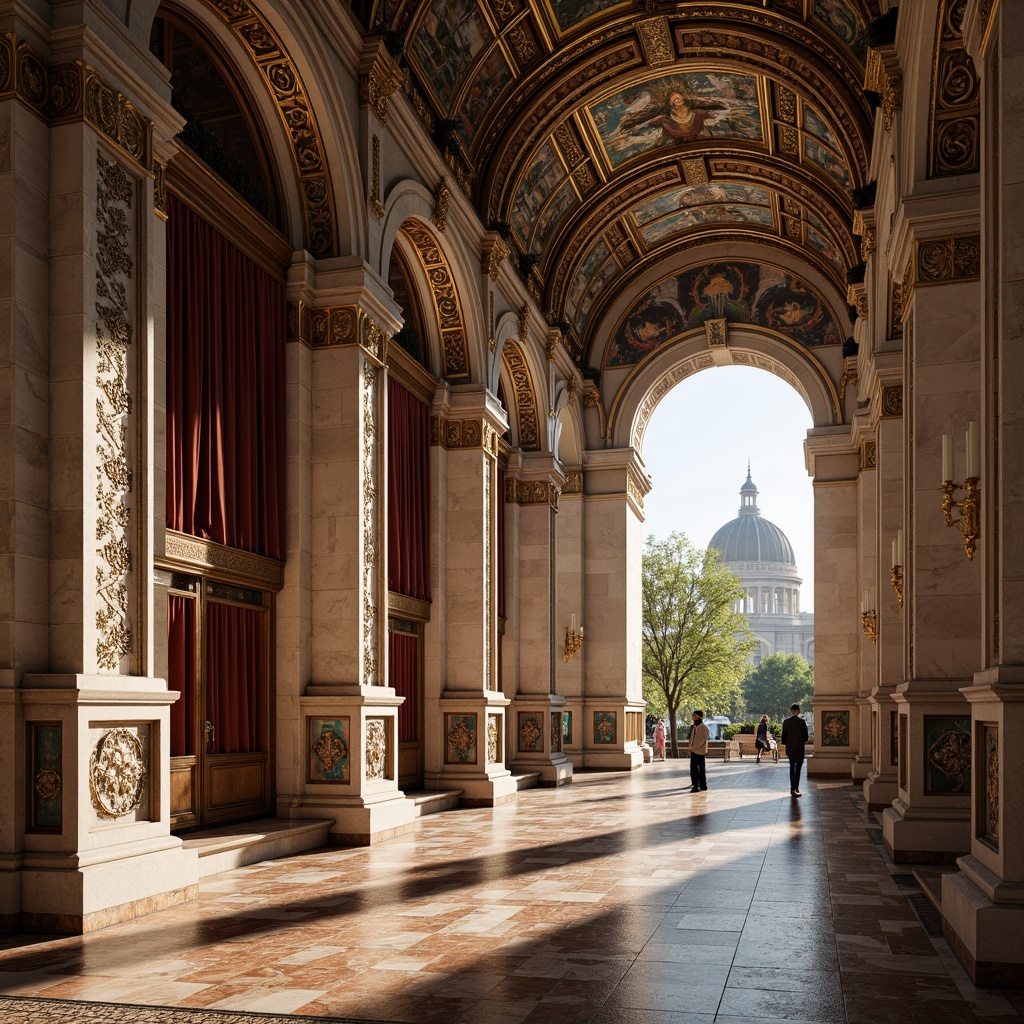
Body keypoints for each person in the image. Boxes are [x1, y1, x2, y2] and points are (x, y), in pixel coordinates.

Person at [781, 703, 809, 796]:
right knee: (798, 768)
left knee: (792, 767)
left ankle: (792, 788)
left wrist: (788, 744)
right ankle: (796, 788)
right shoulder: (802, 722)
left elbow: (783, 737)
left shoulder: (786, 722)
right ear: (797, 710)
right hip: (799, 748)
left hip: (790, 748)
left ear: (791, 711)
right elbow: (805, 737)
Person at [688, 709, 709, 792]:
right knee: (696, 769)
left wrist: (692, 748)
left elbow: (700, 740)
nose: (693, 717)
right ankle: (700, 784)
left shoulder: (702, 727)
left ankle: (698, 785)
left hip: (698, 751)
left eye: (695, 715)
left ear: (699, 716)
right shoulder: (696, 727)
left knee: (698, 769)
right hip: (695, 750)